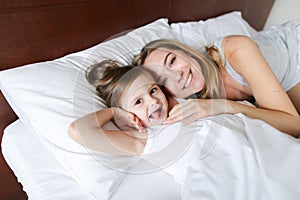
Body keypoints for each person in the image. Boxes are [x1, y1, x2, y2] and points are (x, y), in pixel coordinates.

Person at [132, 21, 300, 137]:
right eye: (165, 80)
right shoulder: (192, 99)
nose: (177, 76)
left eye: (172, 61)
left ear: (185, 51)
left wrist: (226, 106)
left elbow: (293, 125)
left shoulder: (236, 50)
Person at [68, 60, 178, 155]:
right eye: (138, 101)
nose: (153, 101)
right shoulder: (141, 141)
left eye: (153, 90)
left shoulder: (181, 104)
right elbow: (77, 131)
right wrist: (115, 113)